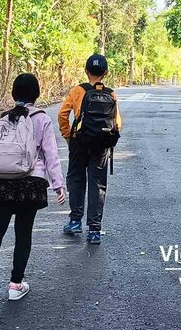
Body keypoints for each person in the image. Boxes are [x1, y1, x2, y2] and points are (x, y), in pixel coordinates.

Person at [0, 73, 66, 317]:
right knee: (23, 233)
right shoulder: (41, 119)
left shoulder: (5, 117)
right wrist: (58, 185)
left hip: (2, 182)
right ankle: (15, 284)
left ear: (13, 94)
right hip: (31, 183)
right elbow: (51, 154)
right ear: (37, 94)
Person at [58, 54, 121, 245]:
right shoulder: (111, 94)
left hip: (79, 141)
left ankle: (75, 221)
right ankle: (94, 230)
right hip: (101, 144)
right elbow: (117, 122)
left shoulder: (77, 91)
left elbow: (62, 114)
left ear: (86, 71)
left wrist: (68, 135)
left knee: (76, 179)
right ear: (106, 73)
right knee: (97, 185)